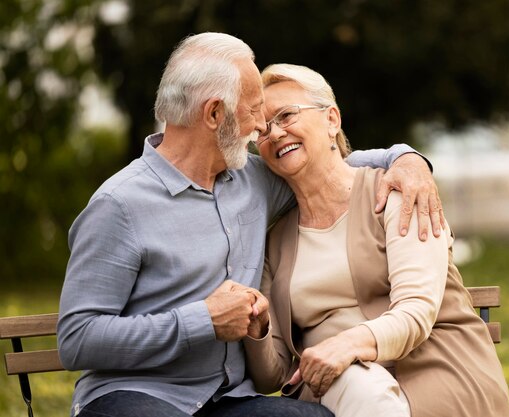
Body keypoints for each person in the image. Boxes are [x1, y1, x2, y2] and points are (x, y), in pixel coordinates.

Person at [57, 33, 444, 417]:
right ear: (214, 114)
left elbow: (325, 164)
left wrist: (406, 159)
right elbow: (77, 339)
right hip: (135, 395)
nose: (263, 127)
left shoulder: (252, 178)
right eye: (256, 109)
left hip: (229, 401)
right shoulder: (119, 205)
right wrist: (202, 320)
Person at [243, 63, 509, 417]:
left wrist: (344, 345)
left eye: (286, 115)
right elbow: (274, 374)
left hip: (434, 370)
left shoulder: (398, 193)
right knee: (356, 385)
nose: (275, 134)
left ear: (331, 120)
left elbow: (416, 311)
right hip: (335, 388)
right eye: (262, 129)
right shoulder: (275, 241)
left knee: (360, 388)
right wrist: (259, 327)